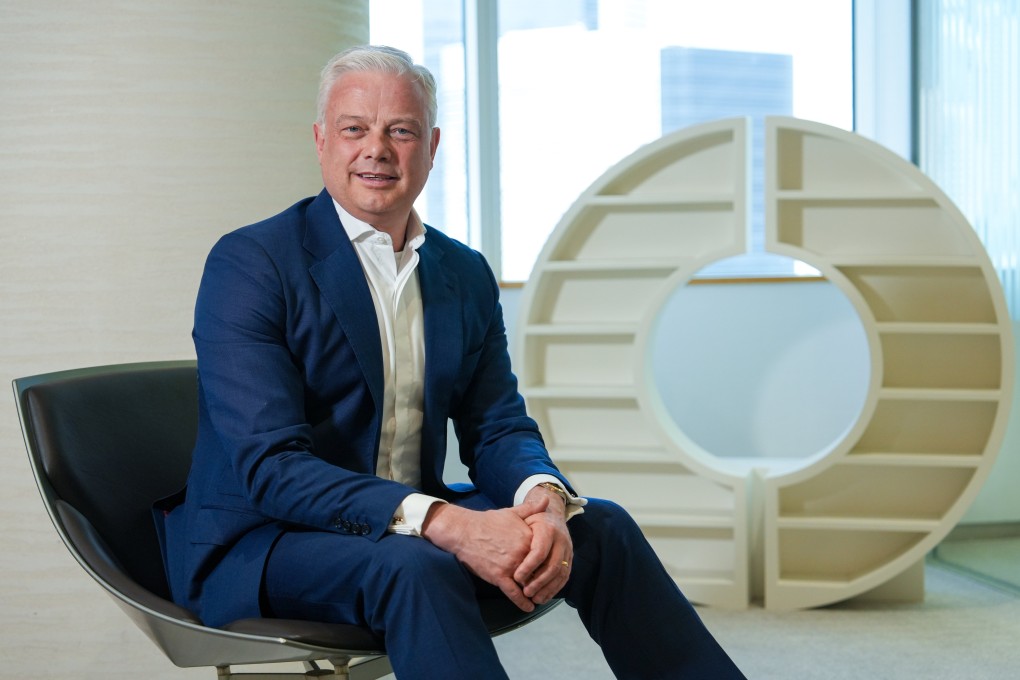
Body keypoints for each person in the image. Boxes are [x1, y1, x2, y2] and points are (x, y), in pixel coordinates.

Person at [158, 44, 745, 679]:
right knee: (417, 564)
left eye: (400, 131)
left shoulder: (463, 272)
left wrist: (543, 499)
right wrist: (448, 524)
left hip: (409, 528)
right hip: (266, 542)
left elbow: (497, 426)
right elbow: (272, 469)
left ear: (432, 146)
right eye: (354, 129)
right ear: (321, 140)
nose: (377, 150)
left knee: (598, 525)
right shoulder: (252, 264)